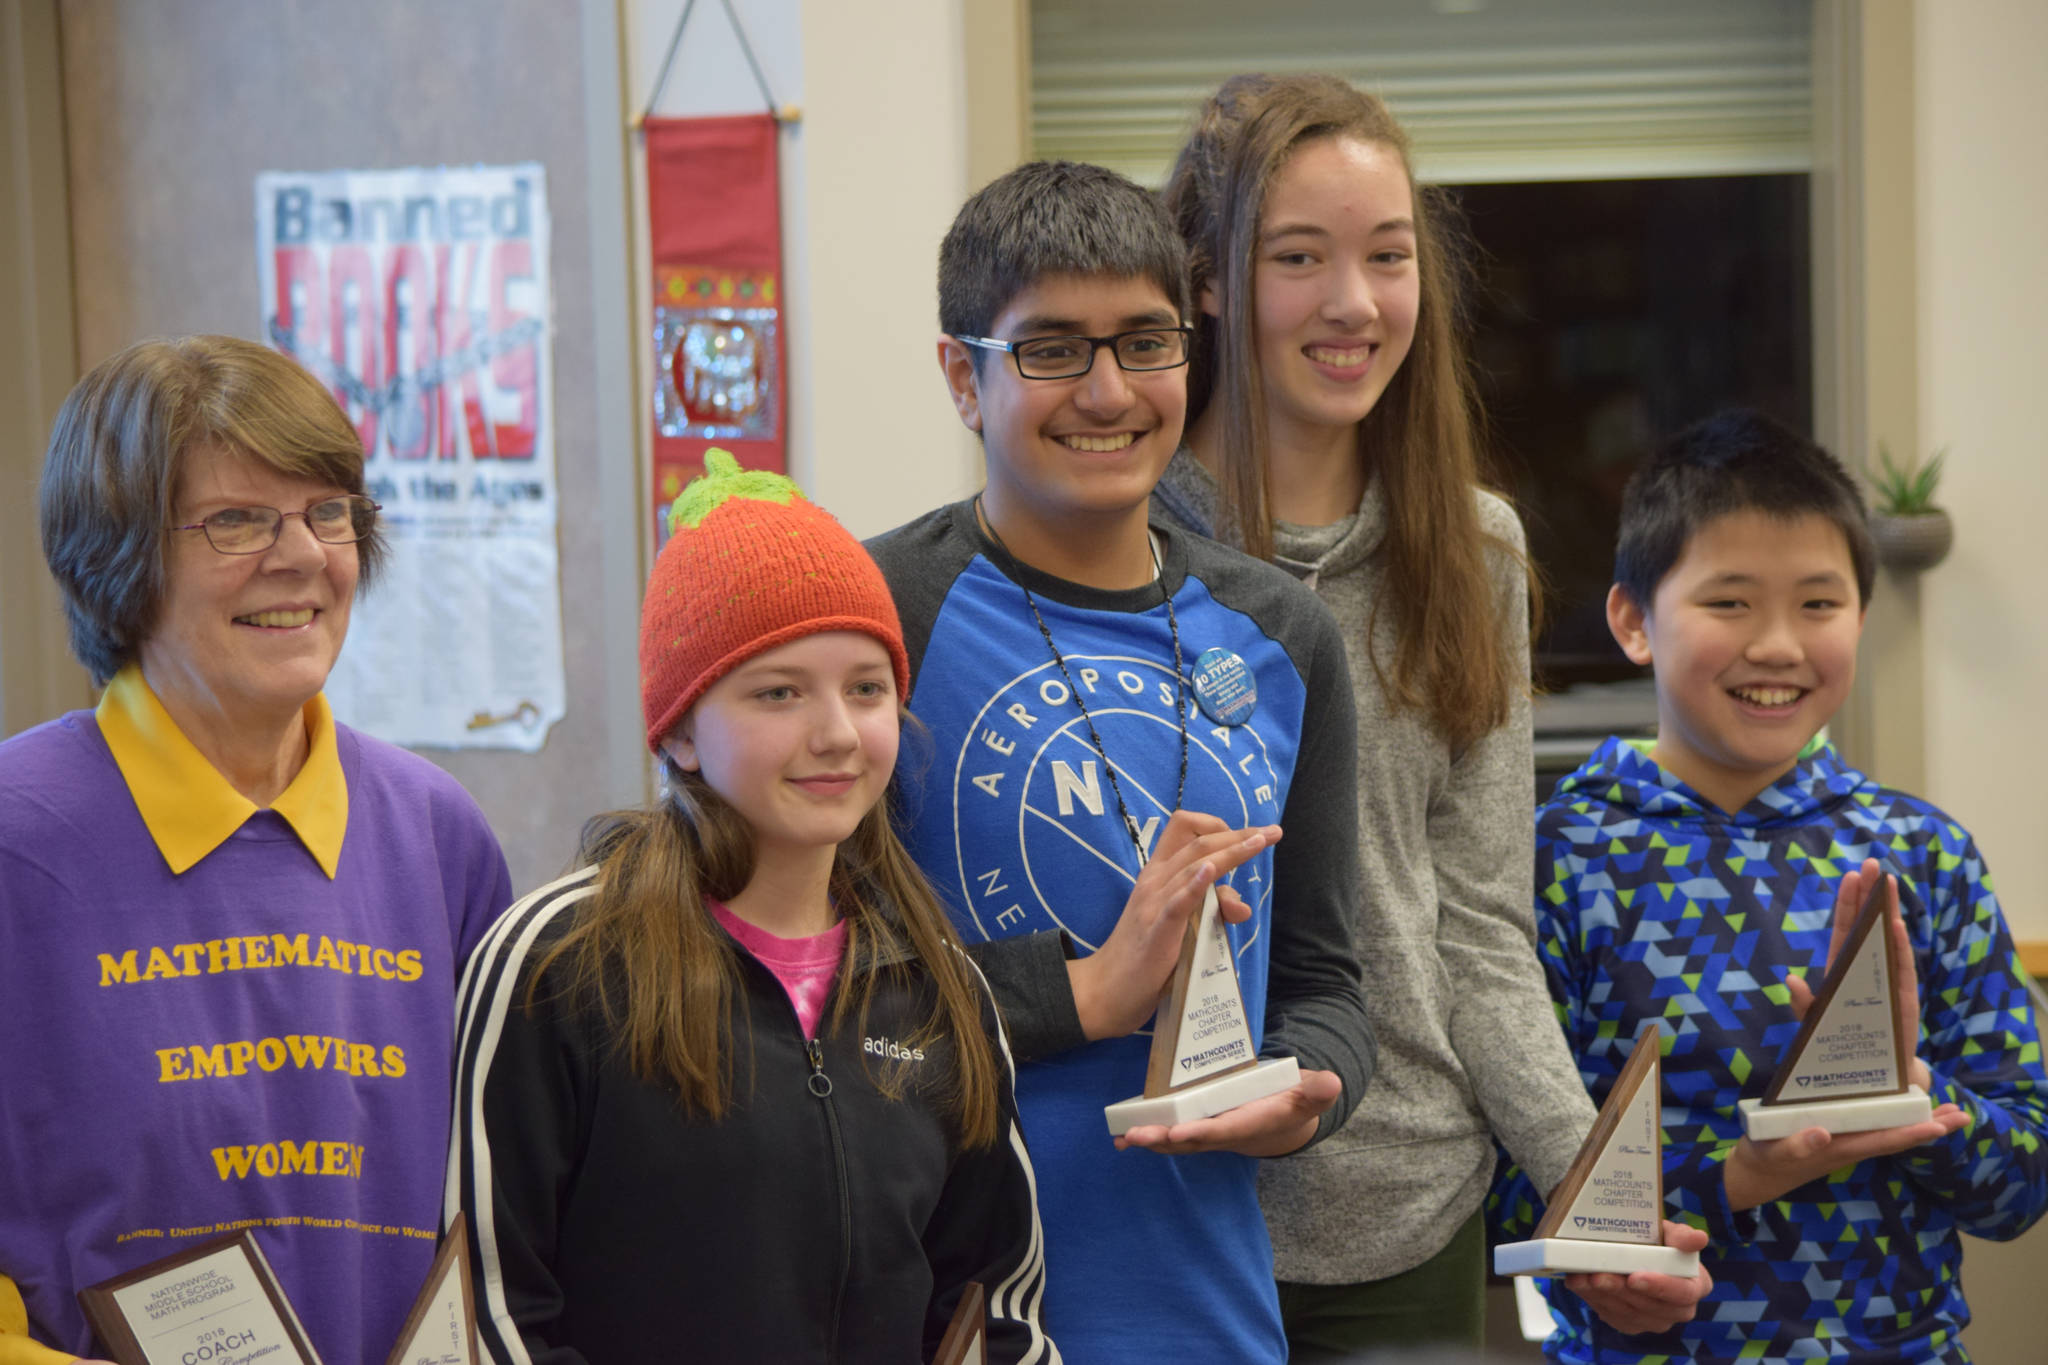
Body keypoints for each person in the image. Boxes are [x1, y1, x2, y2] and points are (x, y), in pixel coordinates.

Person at [1151, 72, 1709, 1355]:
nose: (1353, 304)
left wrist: (1591, 1189)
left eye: (1386, 258)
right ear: (1209, 280)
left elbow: (1476, 926)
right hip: (1156, 1202)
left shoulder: (1474, 552)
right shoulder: (1124, 543)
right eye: (1299, 256)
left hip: (1403, 1210)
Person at [866, 159, 1374, 1363]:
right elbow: (801, 1010)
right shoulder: (877, 617)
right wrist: (1082, 991)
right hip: (937, 1308)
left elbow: (1325, 986)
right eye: (1049, 350)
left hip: (1201, 1311)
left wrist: (1298, 1096)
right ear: (960, 375)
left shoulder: (1283, 639)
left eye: (1144, 342)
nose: (1107, 391)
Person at [449, 451, 1056, 1364]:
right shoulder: (555, 964)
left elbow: (996, 1307)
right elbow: (490, 1313)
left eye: (866, 687)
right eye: (778, 691)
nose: (837, 733)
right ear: (683, 729)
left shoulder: (940, 986)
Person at [0, 335, 513, 1365]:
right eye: (236, 520)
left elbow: (504, 1216)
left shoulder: (437, 834)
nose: (303, 557)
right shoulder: (19, 841)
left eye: (329, 512)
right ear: (118, 554)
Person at [1496, 409, 2047, 1361]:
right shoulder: (1558, 859)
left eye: (1819, 604)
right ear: (1633, 620)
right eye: (1731, 602)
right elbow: (1512, 1197)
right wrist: (1736, 1177)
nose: (1780, 644)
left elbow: (2022, 1187)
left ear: (1862, 619)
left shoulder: (1923, 852)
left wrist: (1915, 1095)